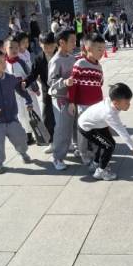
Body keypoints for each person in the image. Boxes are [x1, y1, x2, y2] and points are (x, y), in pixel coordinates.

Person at [78, 83, 133, 181]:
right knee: (109, 146)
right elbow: (123, 133)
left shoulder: (112, 101)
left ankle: (95, 164)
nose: (129, 105)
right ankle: (101, 172)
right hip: (87, 127)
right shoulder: (110, 114)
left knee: (106, 142)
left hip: (96, 123)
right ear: (116, 103)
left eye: (129, 101)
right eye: (126, 103)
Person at [68, 33, 105, 166]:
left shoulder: (99, 66)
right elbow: (73, 85)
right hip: (83, 105)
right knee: (83, 131)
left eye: (103, 49)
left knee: (95, 129)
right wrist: (72, 102)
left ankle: (95, 151)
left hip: (97, 105)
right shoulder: (80, 64)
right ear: (88, 48)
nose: (102, 52)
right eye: (99, 49)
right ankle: (83, 153)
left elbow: (100, 83)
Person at [48, 29, 77, 171]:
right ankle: (57, 157)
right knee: (62, 128)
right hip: (60, 99)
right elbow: (51, 82)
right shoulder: (55, 60)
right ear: (61, 42)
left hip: (73, 98)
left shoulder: (72, 58)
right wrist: (64, 82)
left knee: (75, 124)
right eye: (72, 41)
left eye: (75, 40)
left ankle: (77, 147)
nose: (75, 43)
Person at [5, 36, 38, 145]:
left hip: (26, 92)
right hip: (14, 95)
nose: (14, 50)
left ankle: (39, 133)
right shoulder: (4, 63)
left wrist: (35, 88)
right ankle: (28, 135)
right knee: (21, 115)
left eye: (16, 47)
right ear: (5, 49)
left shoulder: (21, 62)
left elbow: (30, 75)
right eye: (11, 48)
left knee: (32, 113)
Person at [29, 32, 57, 153]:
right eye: (45, 47)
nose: (48, 49)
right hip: (47, 93)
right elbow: (33, 74)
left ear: (56, 44)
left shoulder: (61, 56)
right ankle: (51, 142)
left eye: (51, 46)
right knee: (47, 118)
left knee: (64, 119)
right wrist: (26, 82)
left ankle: (67, 141)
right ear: (40, 45)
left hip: (62, 92)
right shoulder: (38, 59)